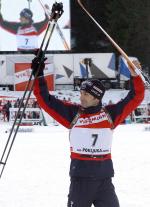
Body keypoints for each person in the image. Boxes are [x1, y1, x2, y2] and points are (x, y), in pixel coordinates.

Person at [31, 56, 145, 207]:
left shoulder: (110, 114)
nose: (81, 97)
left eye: (86, 94)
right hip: (80, 182)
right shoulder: (73, 114)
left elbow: (136, 97)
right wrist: (39, 75)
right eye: (81, 93)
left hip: (104, 182)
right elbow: (45, 100)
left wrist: (135, 75)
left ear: (96, 98)